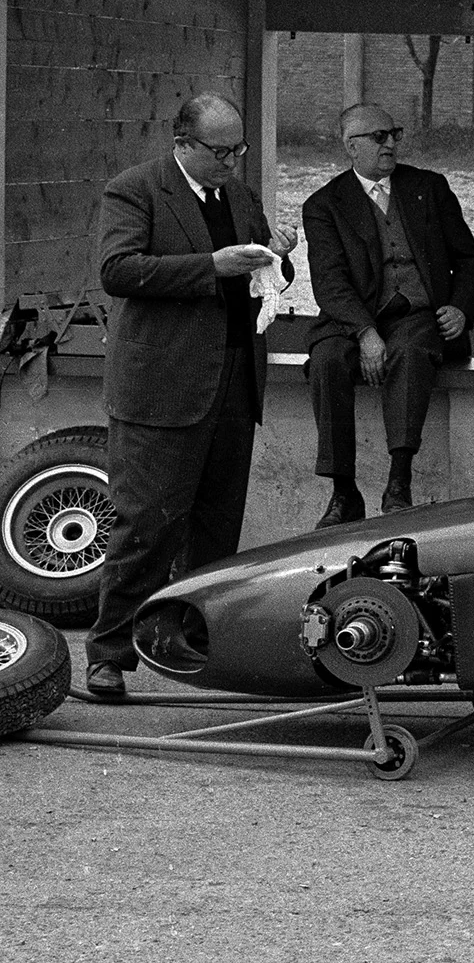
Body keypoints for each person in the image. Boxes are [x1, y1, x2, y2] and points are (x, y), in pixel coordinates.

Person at [86, 92, 297, 696]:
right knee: (145, 524)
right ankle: (110, 651)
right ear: (182, 145)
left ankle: (193, 640)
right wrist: (212, 264)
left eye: (240, 150)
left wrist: (275, 254)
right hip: (163, 384)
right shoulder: (136, 189)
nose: (234, 162)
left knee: (216, 524)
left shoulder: (238, 194)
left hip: (234, 376)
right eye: (221, 151)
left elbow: (254, 269)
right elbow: (118, 270)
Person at [304, 103, 474, 528]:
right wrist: (365, 332)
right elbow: (329, 283)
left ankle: (399, 481)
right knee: (327, 362)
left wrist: (459, 306)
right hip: (353, 317)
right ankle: (343, 491)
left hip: (418, 314)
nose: (390, 144)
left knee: (410, 351)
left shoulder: (429, 188)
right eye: (378, 137)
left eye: (394, 133)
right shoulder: (324, 204)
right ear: (351, 146)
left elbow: (468, 259)